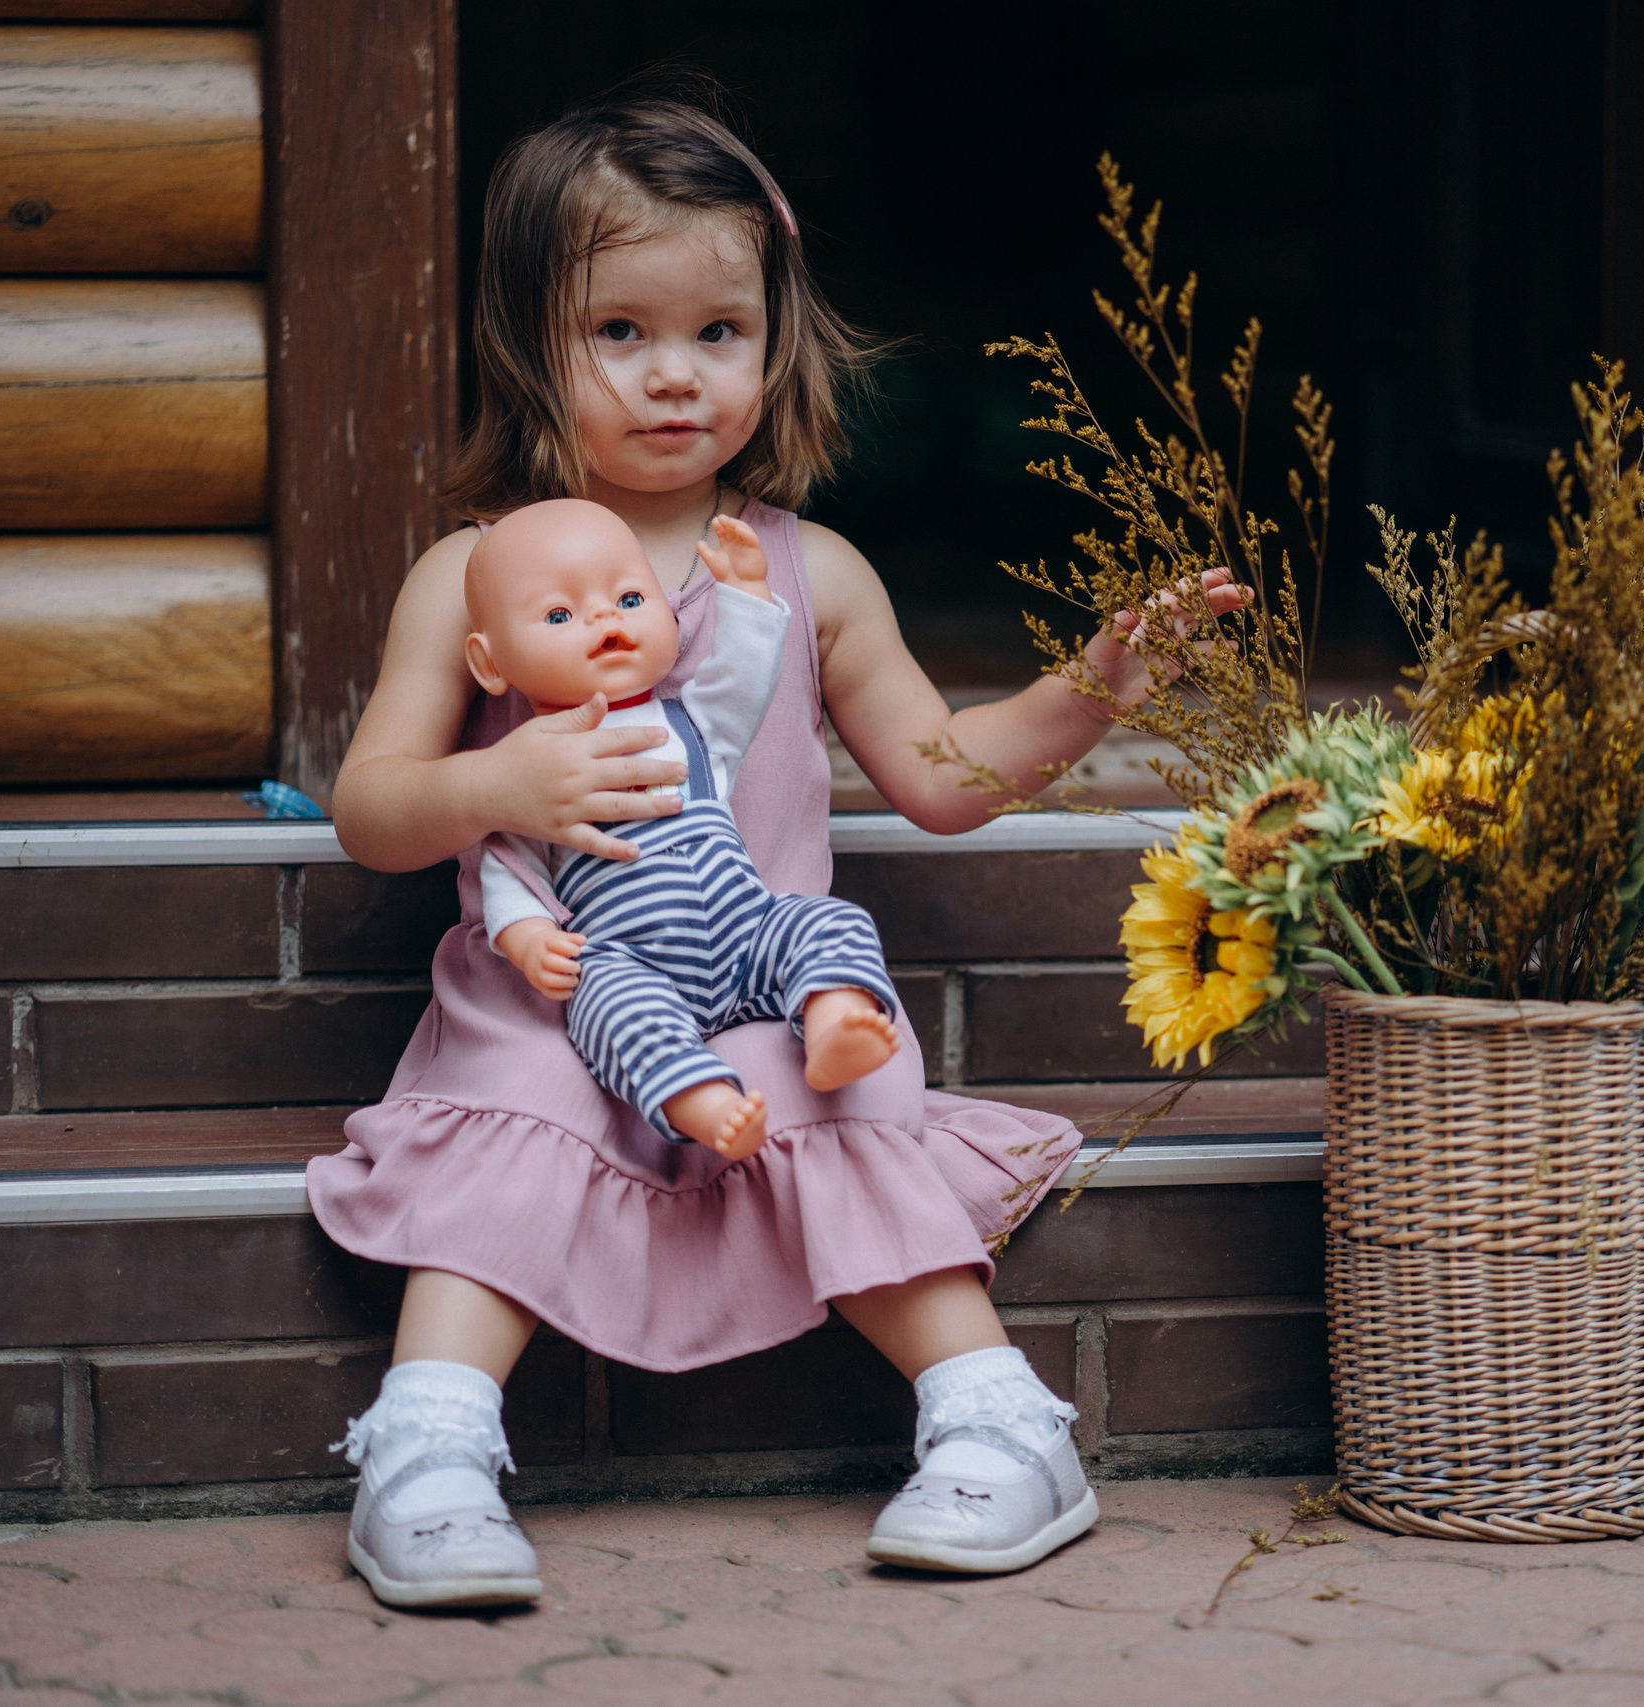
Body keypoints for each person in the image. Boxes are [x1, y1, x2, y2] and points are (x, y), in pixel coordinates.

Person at [305, 75, 1244, 1609]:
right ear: (530, 340)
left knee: (838, 1081)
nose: (676, 377)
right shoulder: (469, 574)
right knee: (524, 1099)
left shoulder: (817, 572)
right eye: (621, 332)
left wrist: (1093, 688)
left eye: (717, 334)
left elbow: (943, 777)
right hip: (556, 993)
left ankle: (1001, 1423)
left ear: (772, 341)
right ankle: (430, 1448)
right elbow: (369, 807)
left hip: (757, 996)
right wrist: (499, 788)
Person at [465, 498, 901, 1162]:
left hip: (747, 931)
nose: (606, 617)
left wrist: (749, 593)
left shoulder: (696, 723)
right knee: (607, 1006)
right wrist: (528, 939)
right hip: (631, 958)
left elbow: (744, 676)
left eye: (631, 597)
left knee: (827, 920)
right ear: (491, 663)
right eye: (560, 615)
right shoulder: (530, 764)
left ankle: (834, 1019)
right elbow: (510, 862)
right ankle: (705, 1102)